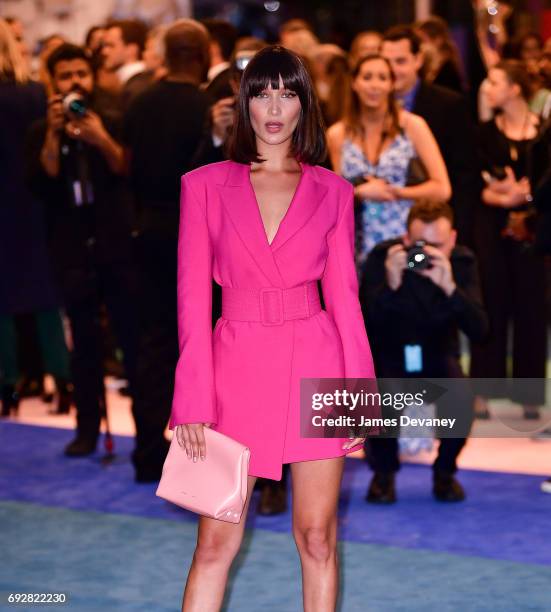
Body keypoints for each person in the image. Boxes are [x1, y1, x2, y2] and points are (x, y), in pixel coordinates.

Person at [170, 45, 376, 611]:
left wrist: (360, 398)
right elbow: (191, 299)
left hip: (318, 362)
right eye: (263, 91)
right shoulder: (203, 185)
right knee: (215, 543)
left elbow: (346, 301)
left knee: (316, 537)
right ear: (245, 102)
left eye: (288, 91)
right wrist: (191, 397)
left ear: (304, 103)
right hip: (232, 368)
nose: (274, 106)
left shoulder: (333, 191)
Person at [24, 43, 139, 458]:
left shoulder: (111, 119)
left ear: (91, 77)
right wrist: (55, 134)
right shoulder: (41, 131)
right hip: (70, 250)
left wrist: (100, 137)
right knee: (84, 345)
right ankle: (86, 428)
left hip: (115, 246)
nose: (75, 82)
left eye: (81, 74)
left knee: (130, 337)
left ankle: (147, 434)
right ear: (53, 83)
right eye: (66, 75)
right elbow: (44, 179)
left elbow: (125, 167)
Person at [121, 19, 212, 481]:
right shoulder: (208, 107)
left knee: (152, 346)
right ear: (202, 55)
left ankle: (145, 454)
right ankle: (207, 460)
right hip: (199, 242)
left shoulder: (139, 104)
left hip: (149, 236)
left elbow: (127, 170)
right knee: (205, 347)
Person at [360, 199, 488, 502]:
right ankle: (383, 474)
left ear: (453, 239)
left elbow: (481, 330)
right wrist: (389, 285)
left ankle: (445, 473)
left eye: (437, 245)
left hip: (438, 356)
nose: (426, 253)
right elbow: (361, 327)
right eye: (419, 244)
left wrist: (450, 288)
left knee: (461, 399)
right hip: (390, 357)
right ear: (405, 239)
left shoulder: (462, 262)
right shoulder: (383, 258)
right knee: (378, 395)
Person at [0, 19, 72, 417]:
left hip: (5, 208)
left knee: (4, 306)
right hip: (39, 203)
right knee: (46, 299)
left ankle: (8, 388)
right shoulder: (36, 92)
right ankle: (63, 383)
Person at [470, 60, 547, 419]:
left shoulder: (544, 132)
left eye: (496, 81)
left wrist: (527, 198)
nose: (488, 86)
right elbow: (477, 185)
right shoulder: (484, 131)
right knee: (491, 302)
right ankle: (483, 391)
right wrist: (506, 197)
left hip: (533, 228)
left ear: (515, 88)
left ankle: (530, 394)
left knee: (532, 306)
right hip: (493, 227)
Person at [326, 53, 450, 275]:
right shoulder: (337, 134)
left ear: (392, 84)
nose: (374, 85)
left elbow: (442, 189)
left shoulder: (413, 126)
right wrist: (360, 192)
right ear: (354, 83)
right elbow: (331, 197)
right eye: (367, 77)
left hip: (403, 238)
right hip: (354, 242)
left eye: (382, 78)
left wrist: (397, 192)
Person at [381, 25, 480, 247]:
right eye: (387, 62)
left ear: (418, 60)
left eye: (401, 61)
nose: (393, 70)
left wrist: (458, 233)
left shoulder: (449, 104)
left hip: (438, 227)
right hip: (385, 228)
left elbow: (466, 175)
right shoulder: (369, 111)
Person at [417, 16, 465, 94]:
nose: (420, 46)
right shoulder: (427, 65)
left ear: (438, 40)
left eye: (423, 40)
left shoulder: (447, 69)